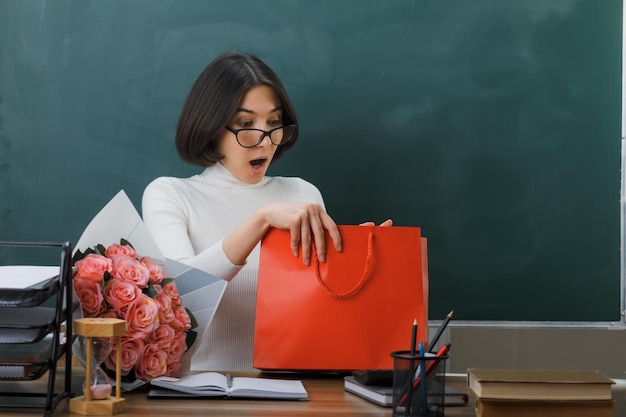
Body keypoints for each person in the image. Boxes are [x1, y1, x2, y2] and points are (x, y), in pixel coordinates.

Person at [142, 51, 390, 372]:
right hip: (199, 390)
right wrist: (261, 220)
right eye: (247, 124)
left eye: (274, 123)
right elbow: (181, 294)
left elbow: (318, 315)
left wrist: (359, 265)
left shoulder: (303, 194)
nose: (265, 141)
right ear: (212, 127)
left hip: (292, 388)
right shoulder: (170, 194)